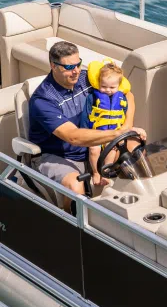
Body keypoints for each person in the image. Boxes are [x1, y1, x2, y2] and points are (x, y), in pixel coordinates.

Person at [29, 41, 146, 210]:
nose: (76, 71)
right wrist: (118, 134)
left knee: (137, 147)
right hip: (58, 155)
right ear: (53, 66)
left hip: (97, 146)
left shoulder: (87, 79)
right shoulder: (43, 100)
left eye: (78, 64)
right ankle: (71, 221)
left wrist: (127, 126)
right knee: (75, 186)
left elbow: (128, 95)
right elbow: (73, 136)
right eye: (69, 67)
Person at [80, 59, 137, 189]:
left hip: (113, 133)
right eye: (104, 86)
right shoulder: (92, 97)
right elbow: (86, 115)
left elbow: (124, 116)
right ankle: (95, 172)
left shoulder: (122, 99)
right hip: (96, 132)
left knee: (111, 150)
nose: (108, 90)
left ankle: (105, 173)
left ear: (119, 86)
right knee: (94, 150)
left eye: (112, 87)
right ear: (99, 84)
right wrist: (84, 132)